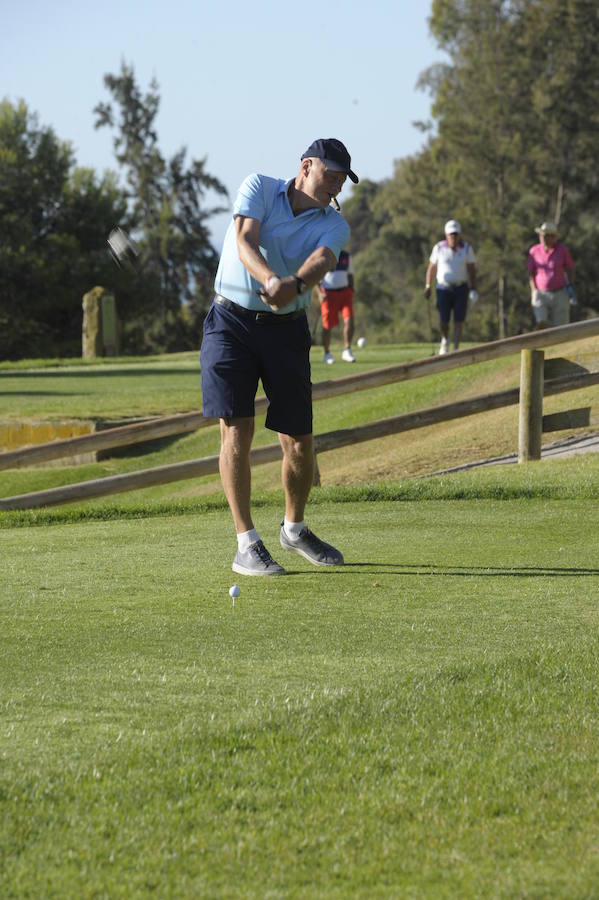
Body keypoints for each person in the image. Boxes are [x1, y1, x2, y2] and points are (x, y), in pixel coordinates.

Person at [200, 138, 359, 576]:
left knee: (298, 441)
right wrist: (272, 279)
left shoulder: (334, 223)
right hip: (230, 322)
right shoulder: (259, 187)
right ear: (305, 166)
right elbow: (244, 239)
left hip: (286, 329)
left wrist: (295, 284)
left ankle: (294, 527)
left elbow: (323, 259)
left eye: (342, 180)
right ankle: (246, 543)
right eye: (330, 175)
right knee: (237, 429)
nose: (336, 186)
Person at [424, 219, 478, 354]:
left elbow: (471, 269)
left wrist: (473, 288)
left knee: (459, 321)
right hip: (443, 288)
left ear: (459, 235)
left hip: (461, 288)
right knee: (444, 320)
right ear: (446, 235)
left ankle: (455, 349)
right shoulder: (439, 248)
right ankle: (444, 340)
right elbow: (431, 268)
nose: (453, 237)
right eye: (451, 235)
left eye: (455, 234)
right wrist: (428, 285)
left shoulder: (466, 248)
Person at [527, 222, 575, 329]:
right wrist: (533, 290)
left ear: (554, 237)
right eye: (542, 235)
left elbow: (570, 268)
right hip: (541, 293)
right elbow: (531, 272)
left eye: (547, 235)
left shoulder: (562, 250)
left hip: (560, 292)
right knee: (542, 322)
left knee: (561, 327)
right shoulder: (534, 251)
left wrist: (570, 286)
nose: (543, 237)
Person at [319, 249, 356, 363]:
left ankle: (347, 350)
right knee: (327, 325)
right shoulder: (322, 254)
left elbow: (350, 275)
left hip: (345, 293)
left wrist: (352, 289)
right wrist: (319, 293)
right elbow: (315, 277)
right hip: (328, 294)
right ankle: (327, 353)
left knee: (349, 320)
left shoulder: (346, 255)